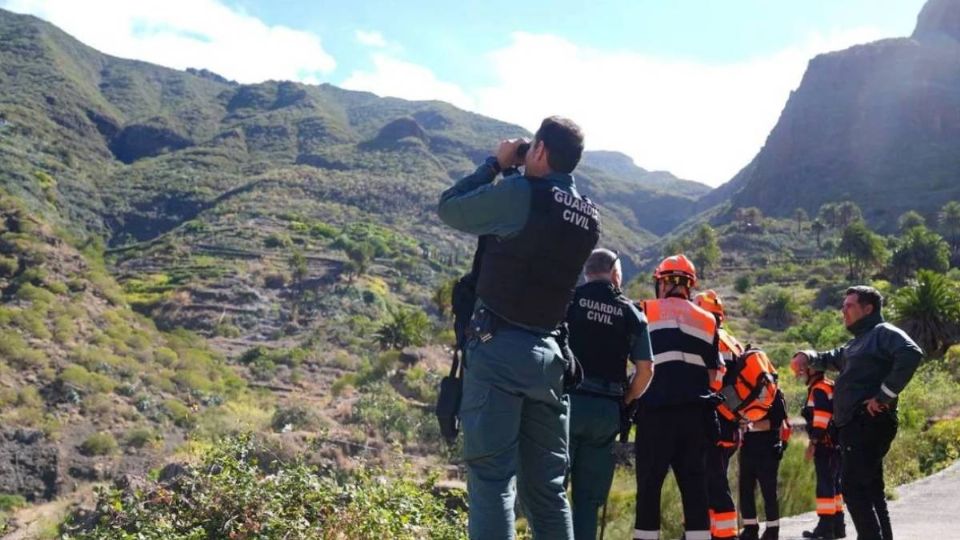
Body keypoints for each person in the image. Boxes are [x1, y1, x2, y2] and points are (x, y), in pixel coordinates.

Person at [437, 116, 600, 540]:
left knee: (492, 482)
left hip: (498, 352)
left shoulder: (520, 194)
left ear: (541, 151)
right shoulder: (589, 217)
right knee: (546, 492)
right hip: (549, 359)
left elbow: (451, 206)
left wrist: (495, 162)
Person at [791, 286, 923, 540]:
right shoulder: (856, 343)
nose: (843, 310)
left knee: (853, 489)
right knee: (872, 490)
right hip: (857, 426)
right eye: (843, 306)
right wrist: (806, 356)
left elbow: (911, 352)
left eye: (849, 305)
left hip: (866, 423)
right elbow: (830, 357)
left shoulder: (882, 333)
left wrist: (884, 395)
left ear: (868, 309)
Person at [565, 248, 654, 540]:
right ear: (616, 275)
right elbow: (646, 371)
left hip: (566, 405)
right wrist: (626, 400)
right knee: (588, 502)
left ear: (586, 272)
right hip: (606, 411)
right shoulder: (631, 312)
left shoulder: (569, 299)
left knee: (549, 492)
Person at [633, 254, 720, 540]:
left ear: (660, 282)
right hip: (695, 417)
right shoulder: (708, 321)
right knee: (695, 492)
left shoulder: (643, 310)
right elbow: (712, 376)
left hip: (655, 414)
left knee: (649, 489)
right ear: (690, 286)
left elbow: (635, 367)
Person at [694, 290, 743, 540]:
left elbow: (711, 382)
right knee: (710, 483)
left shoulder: (710, 340)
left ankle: (725, 536)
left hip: (716, 425)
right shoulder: (731, 341)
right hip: (729, 424)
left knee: (714, 484)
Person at [793, 360, 846, 539]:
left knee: (825, 487)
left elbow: (821, 418)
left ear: (813, 370)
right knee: (834, 486)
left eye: (804, 370)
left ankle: (825, 529)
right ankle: (838, 526)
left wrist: (813, 443)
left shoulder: (819, 389)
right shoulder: (828, 385)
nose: (802, 374)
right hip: (836, 445)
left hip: (825, 445)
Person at [738, 387, 789, 540]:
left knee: (769, 491)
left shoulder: (772, 391)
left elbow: (777, 420)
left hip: (767, 448)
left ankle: (772, 530)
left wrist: (751, 423)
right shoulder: (742, 388)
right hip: (748, 447)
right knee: (745, 489)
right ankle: (750, 528)